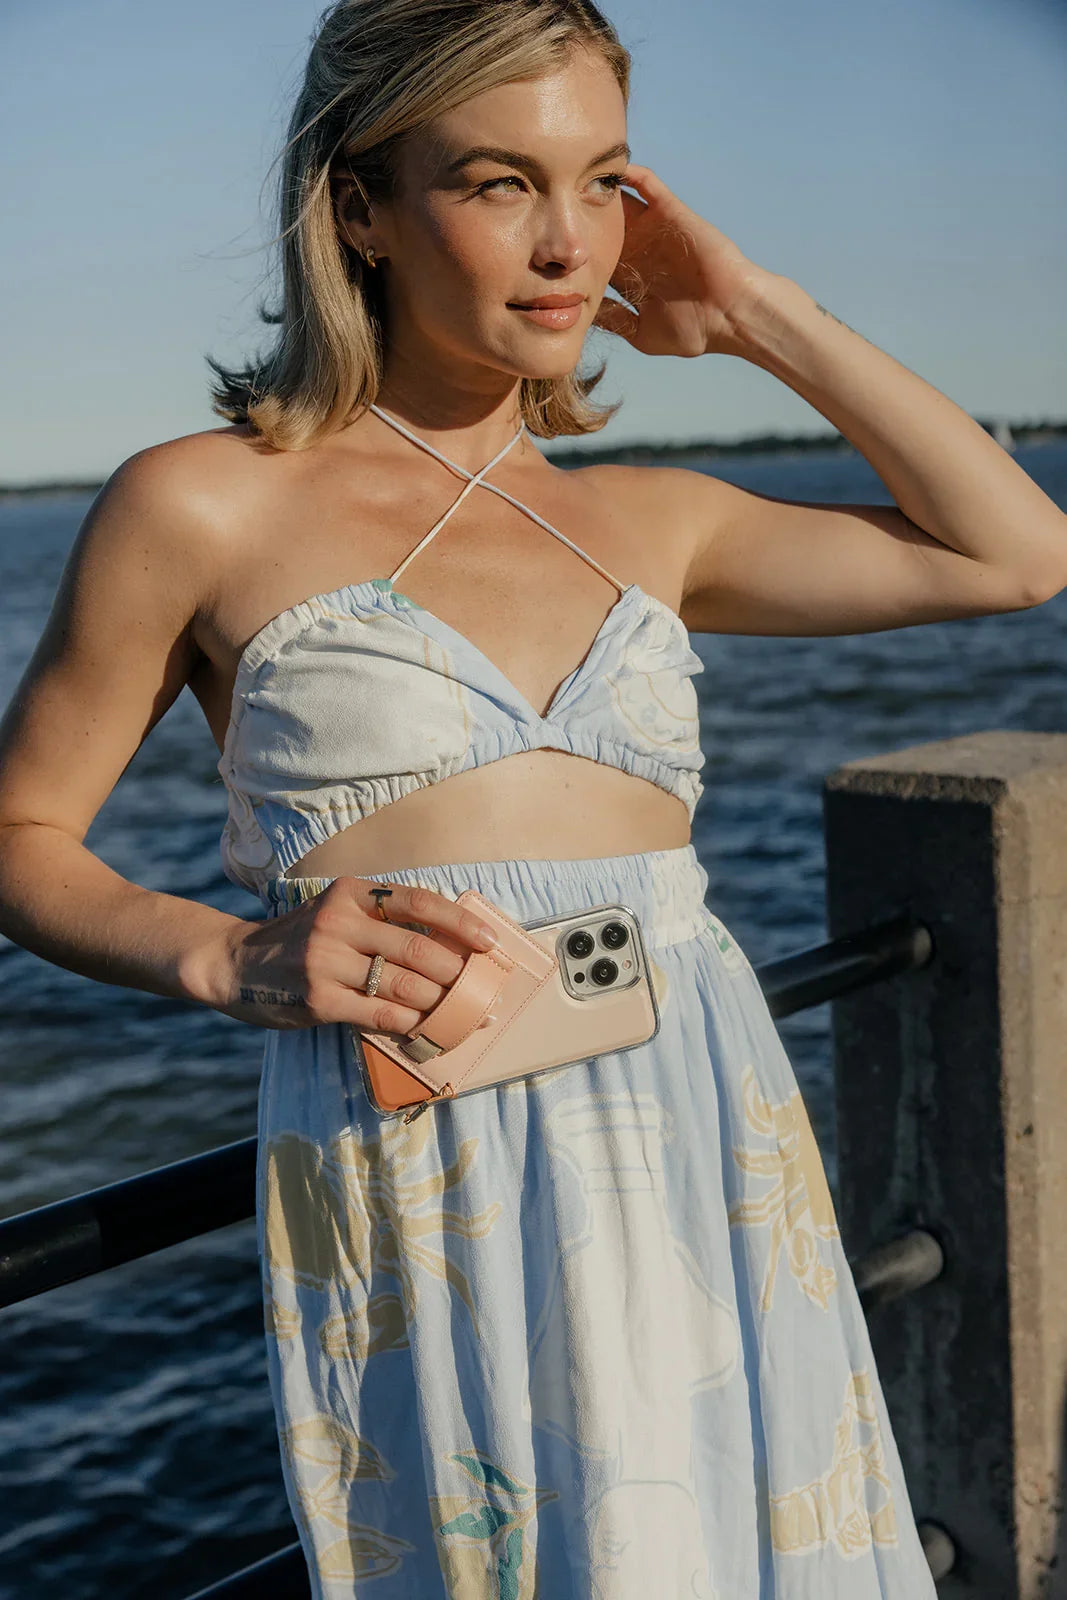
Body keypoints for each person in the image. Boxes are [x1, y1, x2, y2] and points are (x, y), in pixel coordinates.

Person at [2, 0, 1064, 1594]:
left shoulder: (654, 519)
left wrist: (757, 312)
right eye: (501, 182)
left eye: (605, 182)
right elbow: (19, 838)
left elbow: (1020, 554)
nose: (570, 242)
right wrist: (228, 956)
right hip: (437, 1179)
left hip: (704, 1143)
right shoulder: (205, 503)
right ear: (359, 208)